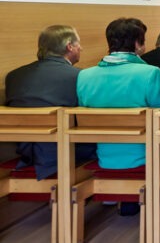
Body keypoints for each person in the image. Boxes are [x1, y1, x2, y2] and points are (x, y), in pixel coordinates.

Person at [77, 18, 160, 216]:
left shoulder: (84, 75)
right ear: (138, 43)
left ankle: (118, 193)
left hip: (104, 155)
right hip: (148, 154)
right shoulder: (150, 73)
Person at [5, 25, 94, 180]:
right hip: (68, 149)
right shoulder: (81, 76)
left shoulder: (13, 76)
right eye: (79, 44)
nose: (82, 48)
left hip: (24, 150)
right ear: (70, 47)